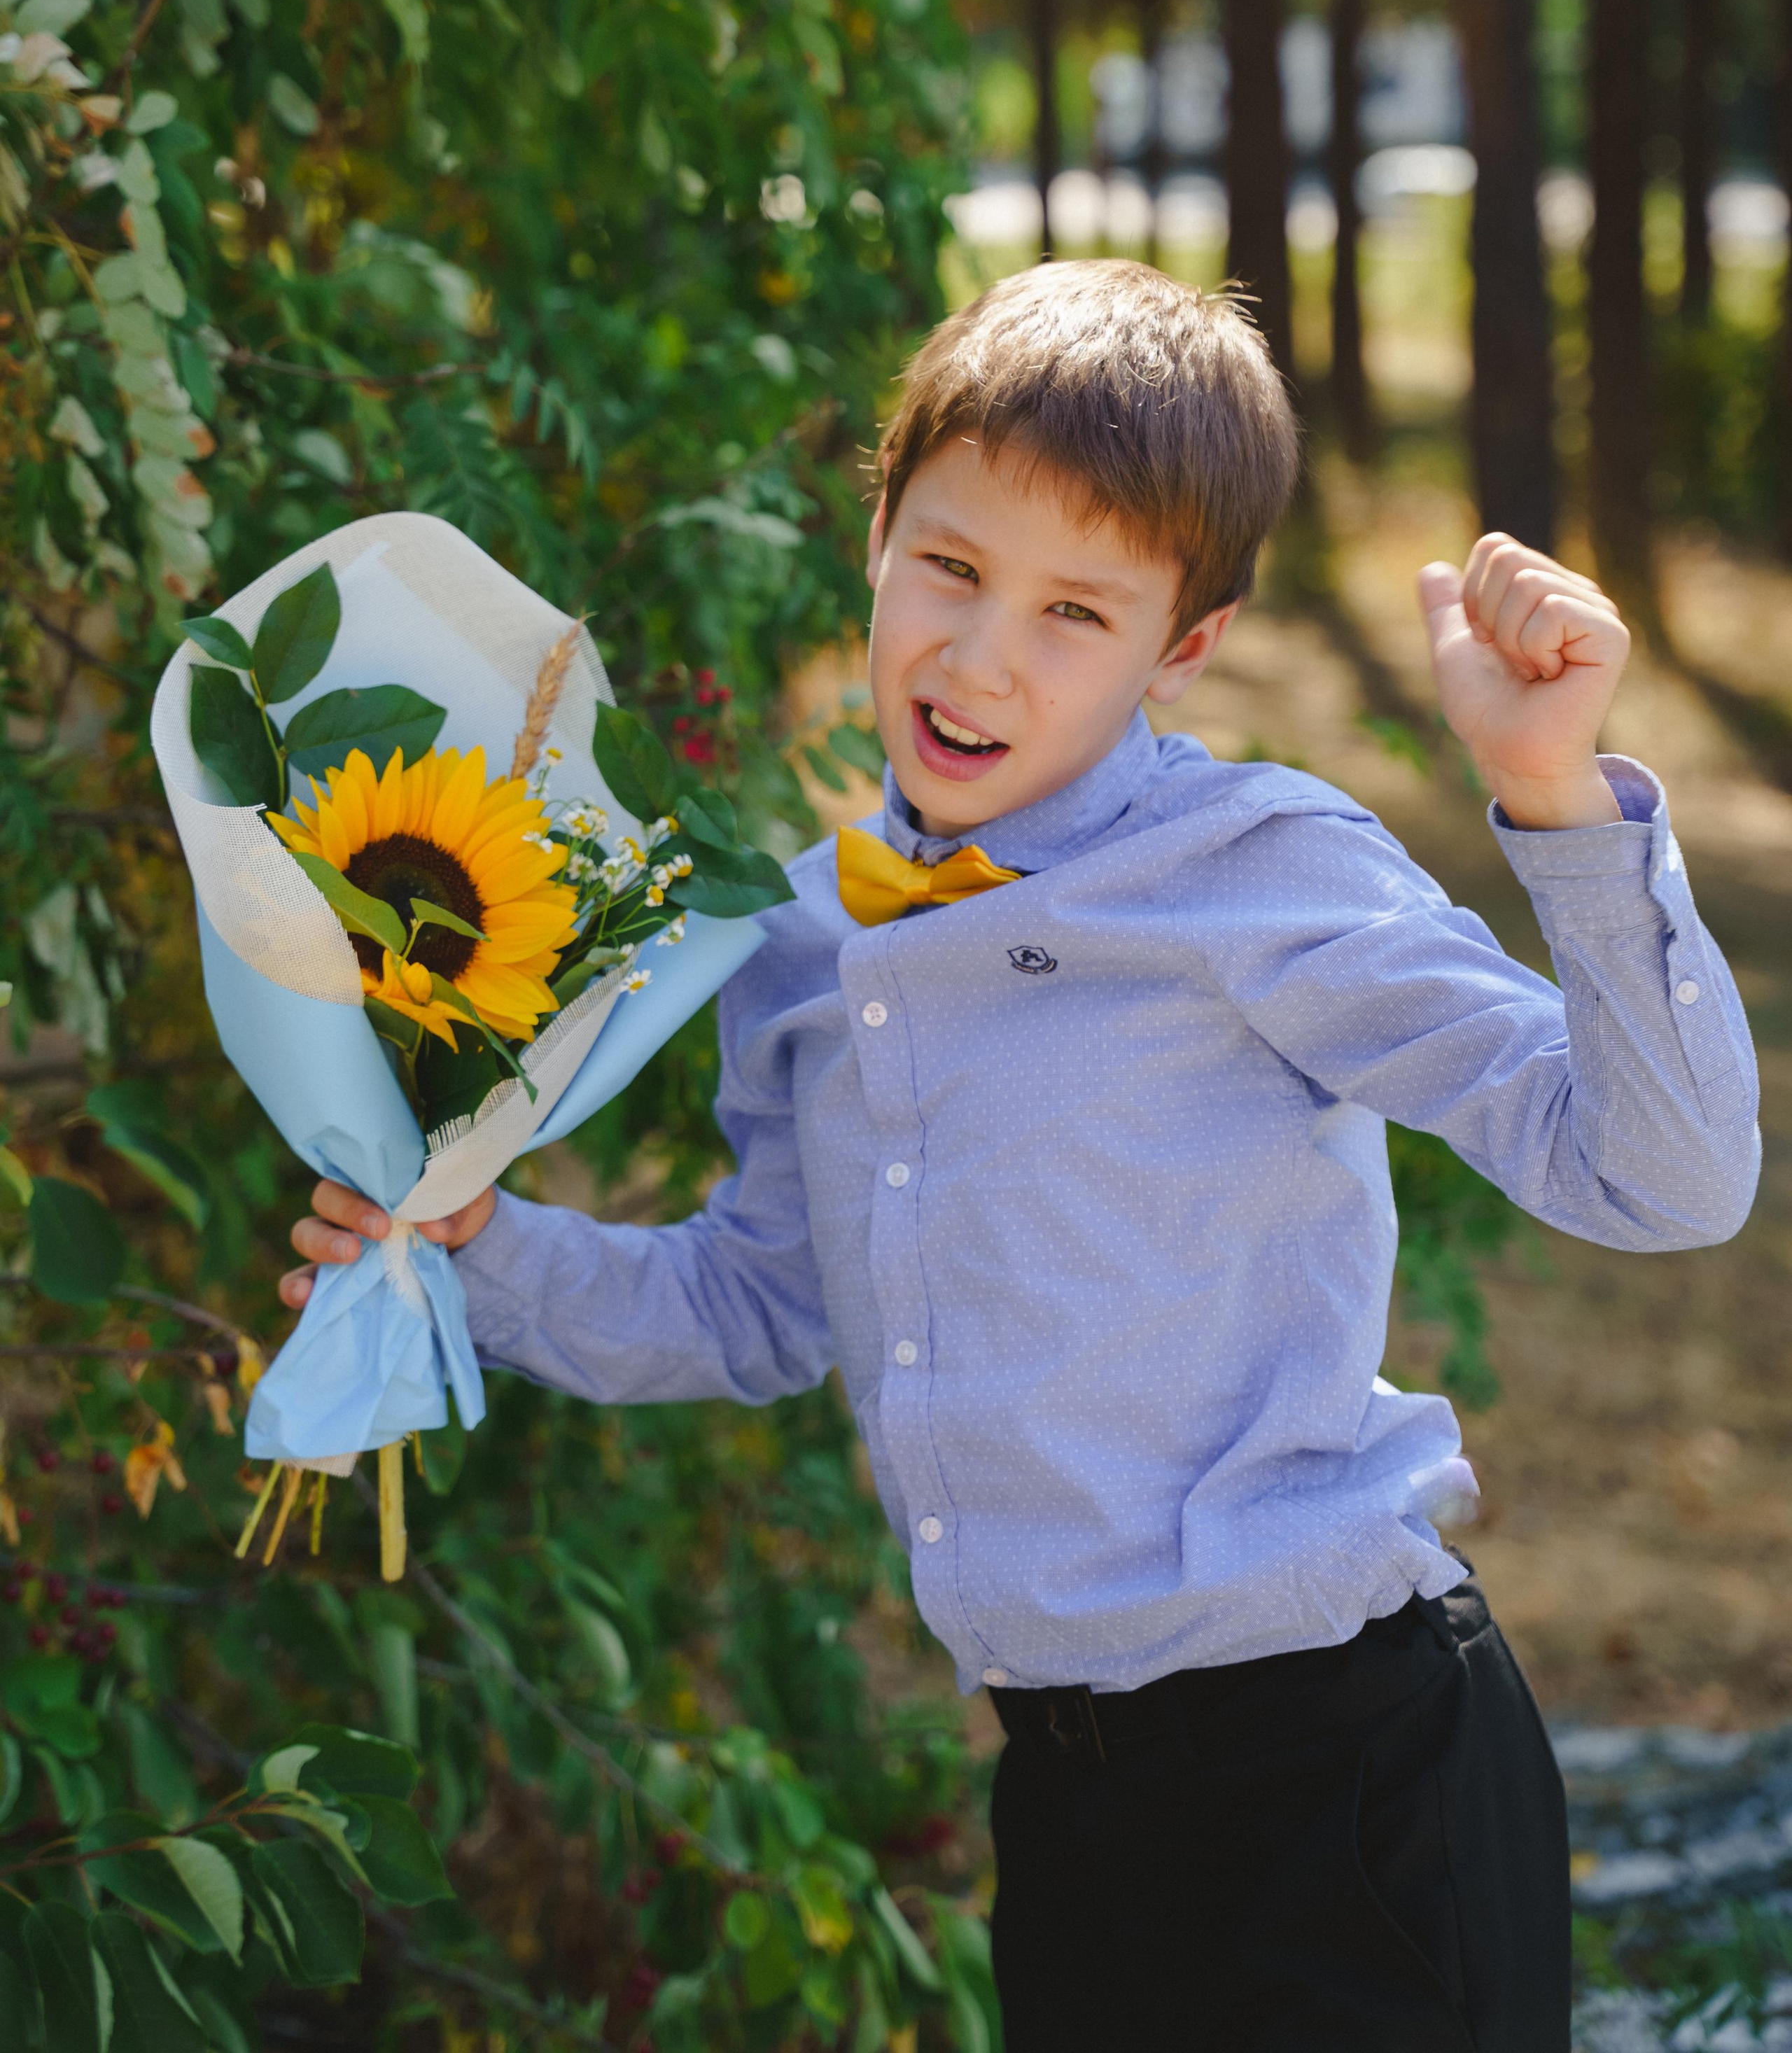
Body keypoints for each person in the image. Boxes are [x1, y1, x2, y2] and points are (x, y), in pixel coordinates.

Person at [282, 261, 1759, 2051]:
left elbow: (1663, 1180)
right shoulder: (812, 943)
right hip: (1071, 1806)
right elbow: (753, 1306)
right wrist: (472, 1246)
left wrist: (1550, 797)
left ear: (1182, 646)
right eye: (952, 567)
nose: (980, 656)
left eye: (1076, 610)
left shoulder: (1260, 871)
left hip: (1345, 1776)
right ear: (880, 531)